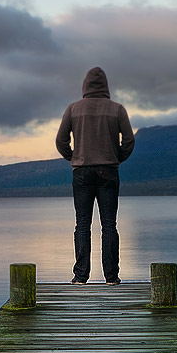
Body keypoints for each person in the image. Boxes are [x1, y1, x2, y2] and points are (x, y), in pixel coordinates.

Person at [54, 66, 135, 283]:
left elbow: (61, 141)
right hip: (109, 171)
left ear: (85, 85)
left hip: (81, 172)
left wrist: (73, 157)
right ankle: (111, 277)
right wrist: (117, 158)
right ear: (106, 85)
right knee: (109, 225)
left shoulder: (73, 109)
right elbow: (129, 141)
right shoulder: (117, 109)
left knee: (82, 224)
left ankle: (80, 277)